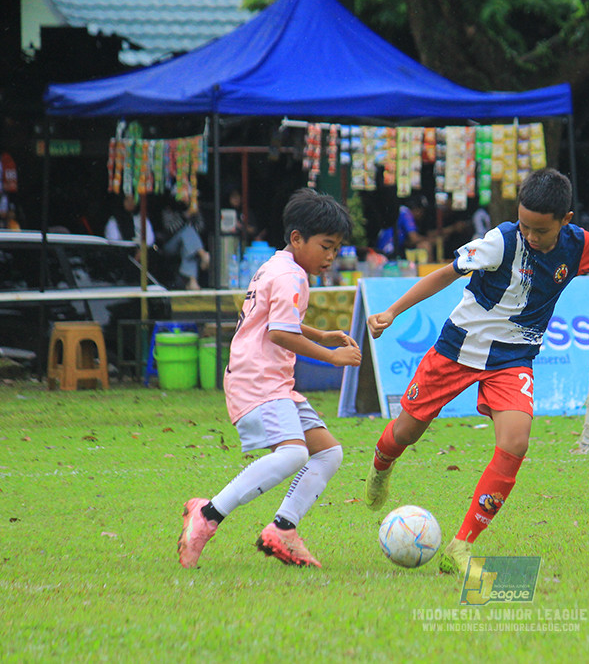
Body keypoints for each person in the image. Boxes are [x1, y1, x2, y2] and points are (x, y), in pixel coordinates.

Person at [363, 168, 589, 574]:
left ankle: (461, 545)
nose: (530, 236)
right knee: (406, 432)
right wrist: (392, 312)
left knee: (516, 443)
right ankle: (381, 466)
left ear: (565, 220)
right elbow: (444, 274)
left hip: (513, 359)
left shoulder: (578, 245)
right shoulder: (500, 241)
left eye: (540, 230)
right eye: (524, 225)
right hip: (458, 349)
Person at [177, 188, 362, 569]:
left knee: (328, 452)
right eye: (326, 246)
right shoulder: (291, 276)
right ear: (297, 238)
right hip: (257, 380)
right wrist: (332, 356)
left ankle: (283, 529)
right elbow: (279, 333)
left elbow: (275, 320)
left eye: (336, 248)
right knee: (294, 453)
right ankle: (207, 515)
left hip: (272, 382)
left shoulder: (276, 266)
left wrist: (319, 334)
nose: (331, 256)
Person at [161, 196, 211, 290]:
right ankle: (203, 255)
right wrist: (186, 215)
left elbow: (200, 229)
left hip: (189, 246)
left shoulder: (194, 209)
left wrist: (196, 214)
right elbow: (170, 229)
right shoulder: (168, 210)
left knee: (189, 248)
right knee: (187, 230)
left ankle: (192, 282)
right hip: (171, 245)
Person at [376, 195, 431, 259]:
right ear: (417, 210)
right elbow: (414, 238)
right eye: (422, 211)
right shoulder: (406, 212)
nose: (422, 215)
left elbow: (407, 242)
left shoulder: (401, 210)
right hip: (388, 253)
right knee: (425, 245)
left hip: (384, 252)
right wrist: (431, 240)